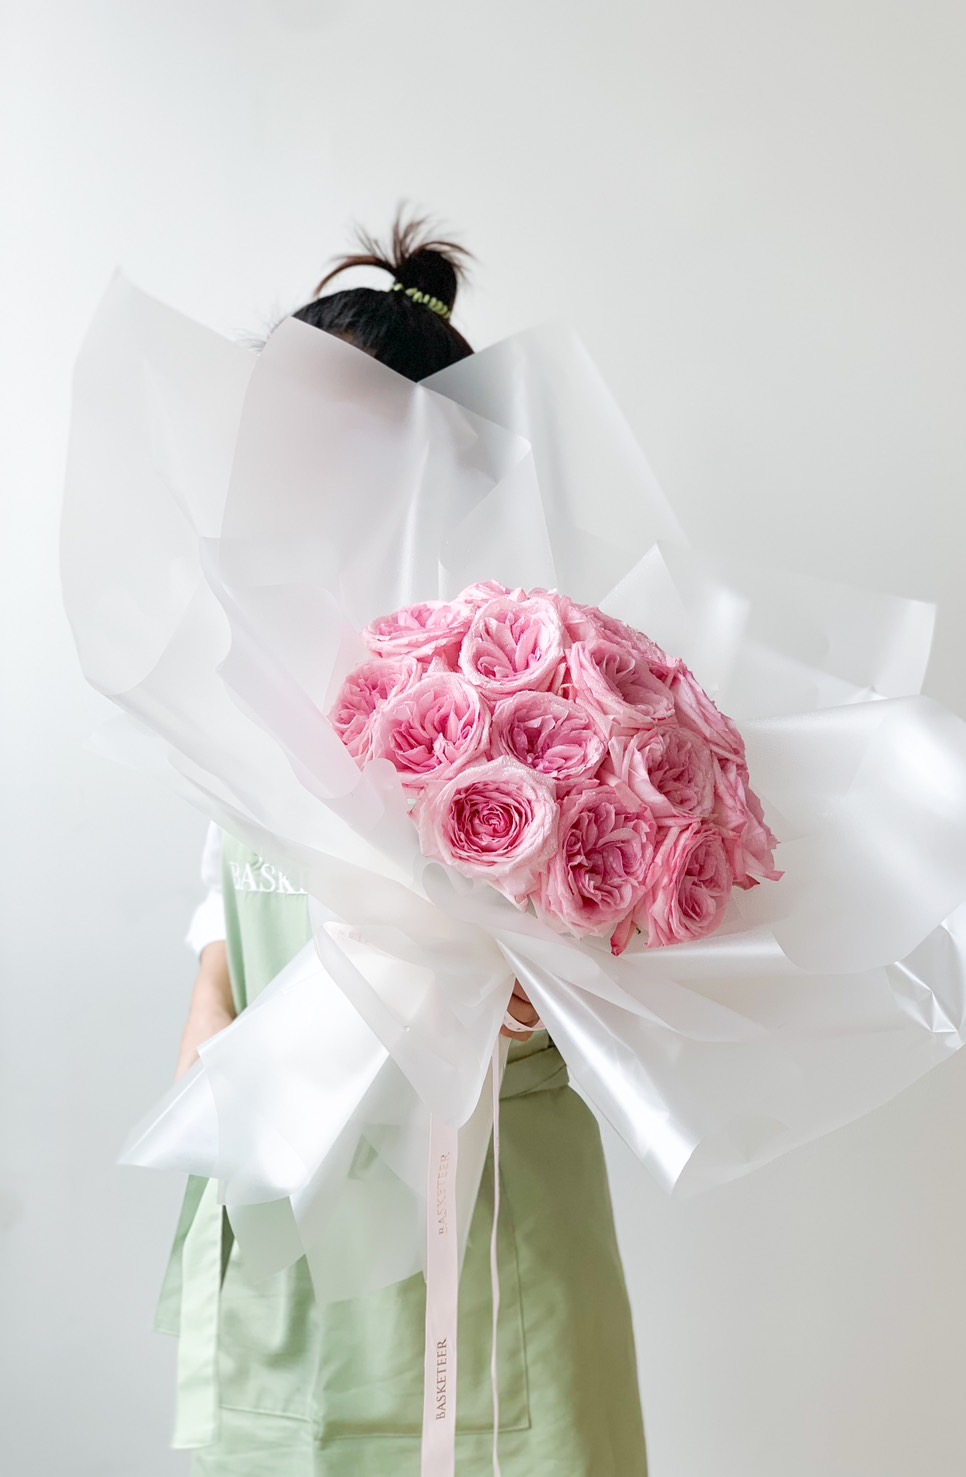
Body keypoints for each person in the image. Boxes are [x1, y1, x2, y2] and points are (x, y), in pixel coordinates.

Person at [156, 215, 650, 1476]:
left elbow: (620, 931)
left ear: (435, 457)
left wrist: (554, 974)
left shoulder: (543, 672)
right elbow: (227, 896)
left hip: (486, 1209)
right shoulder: (250, 654)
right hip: (287, 1193)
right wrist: (211, 1022)